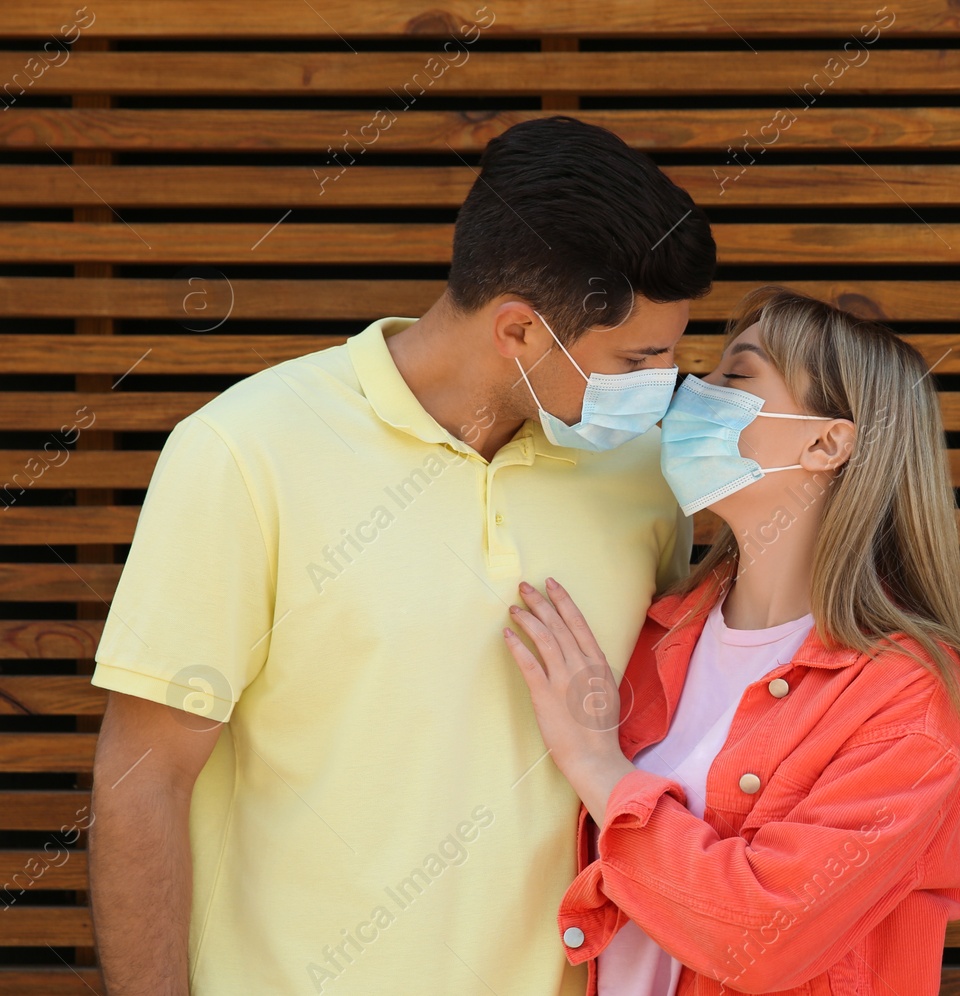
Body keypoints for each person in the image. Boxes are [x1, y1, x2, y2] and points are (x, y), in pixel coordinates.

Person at [87, 115, 716, 995]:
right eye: (640, 358)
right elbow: (142, 781)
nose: (665, 383)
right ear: (520, 334)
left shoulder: (644, 473)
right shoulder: (244, 450)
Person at [500, 286, 960, 995]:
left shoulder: (911, 699)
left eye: (735, 376)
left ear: (828, 442)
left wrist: (597, 762)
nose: (689, 394)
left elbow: (762, 938)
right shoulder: (649, 634)